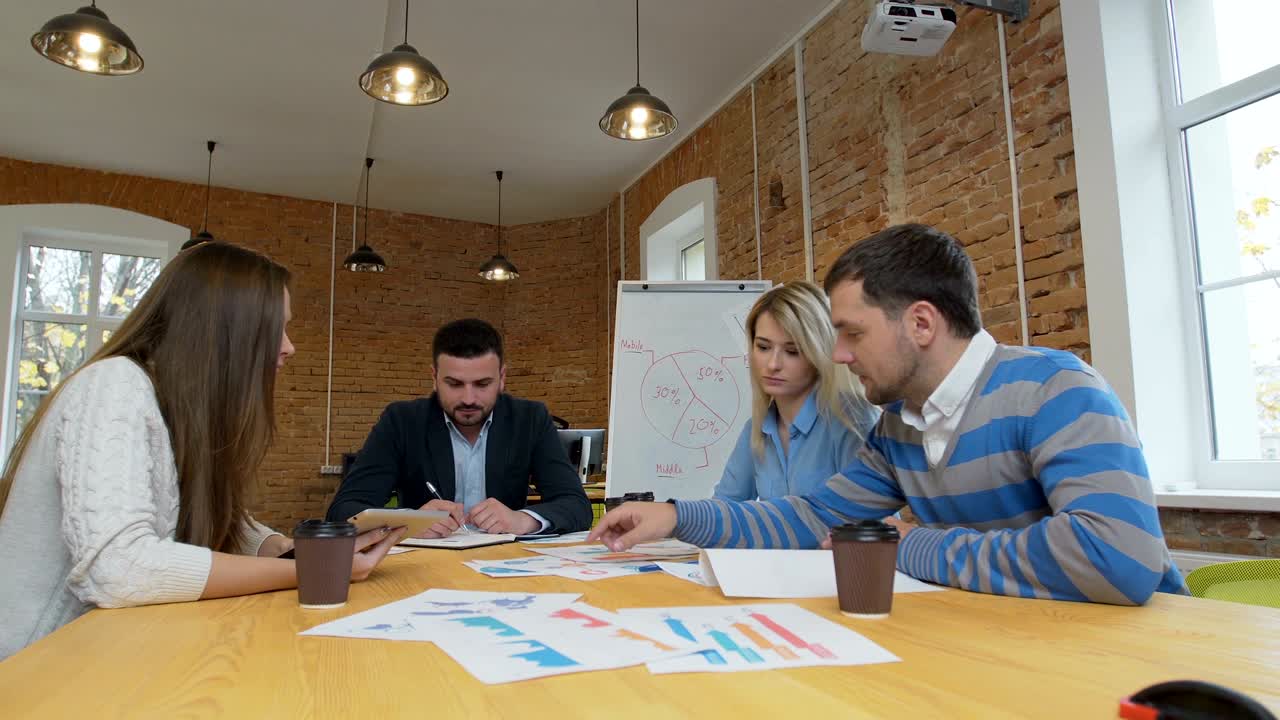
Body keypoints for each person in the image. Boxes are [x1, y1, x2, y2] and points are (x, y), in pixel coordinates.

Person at [590, 224, 1188, 606]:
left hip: (1148, 663)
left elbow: (1117, 558)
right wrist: (674, 515)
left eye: (851, 333)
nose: (840, 355)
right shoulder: (898, 427)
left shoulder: (1056, 390)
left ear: (921, 324)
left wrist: (909, 546)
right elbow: (808, 517)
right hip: (1019, 644)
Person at [0, 242, 402, 660]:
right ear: (227, 329)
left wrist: (288, 548)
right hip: (33, 667)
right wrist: (310, 570)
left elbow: (214, 519)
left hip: (107, 653)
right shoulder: (113, 386)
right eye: (276, 328)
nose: (289, 347)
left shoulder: (173, 404)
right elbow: (118, 568)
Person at [327, 318, 591, 536]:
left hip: (507, 567)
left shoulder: (530, 418)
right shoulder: (402, 421)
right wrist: (410, 521)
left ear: (502, 379)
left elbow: (577, 506)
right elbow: (344, 511)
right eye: (454, 384)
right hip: (424, 569)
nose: (468, 399)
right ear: (434, 378)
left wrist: (521, 520)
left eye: (482, 384)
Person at [714, 281, 879, 501]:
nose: (773, 364)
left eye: (792, 351)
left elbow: (874, 524)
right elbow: (723, 510)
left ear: (819, 352)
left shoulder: (852, 419)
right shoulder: (757, 429)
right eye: (763, 347)